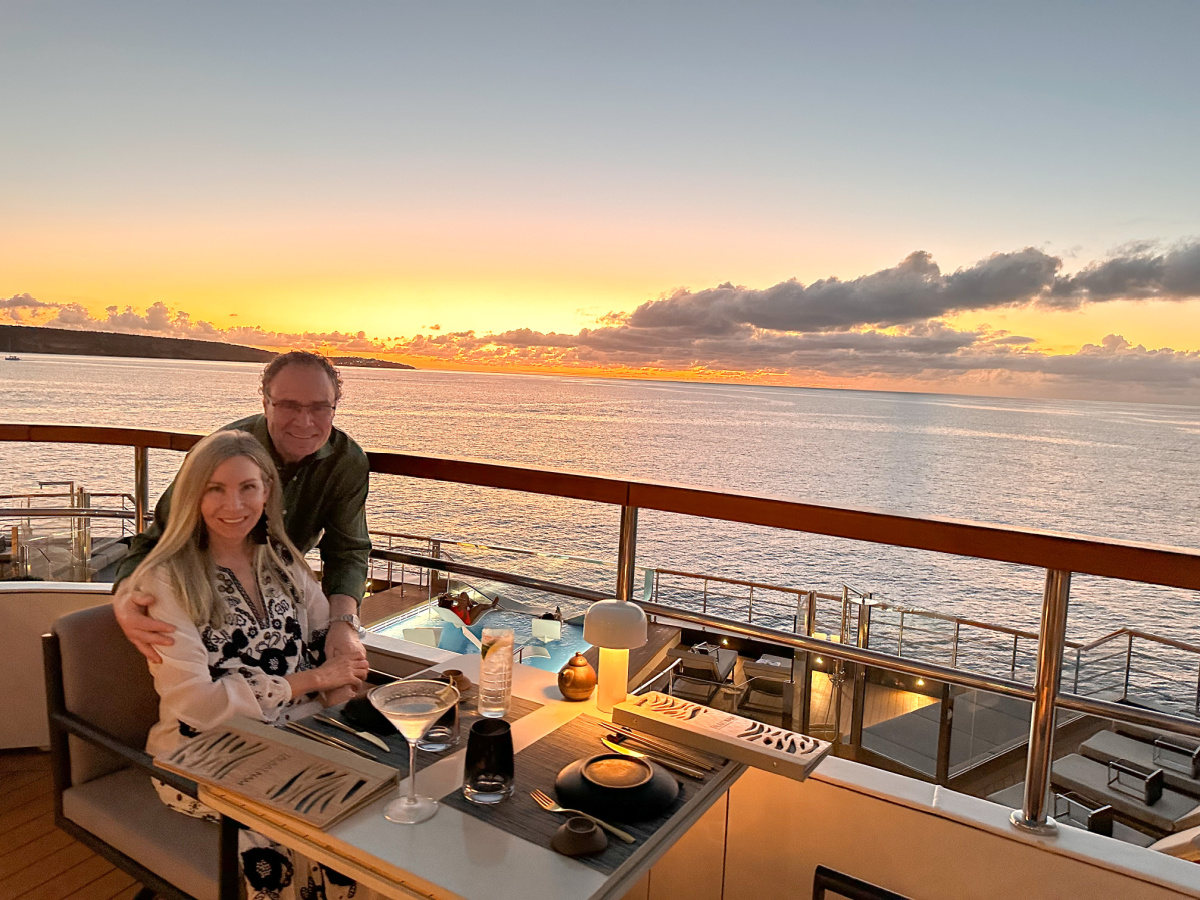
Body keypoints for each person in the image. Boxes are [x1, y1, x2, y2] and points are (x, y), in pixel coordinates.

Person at [128, 429, 371, 900]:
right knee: (302, 831)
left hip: (302, 734)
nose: (232, 505)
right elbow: (197, 705)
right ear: (191, 495)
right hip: (203, 753)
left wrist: (343, 710)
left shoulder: (283, 560)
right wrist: (316, 680)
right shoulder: (167, 580)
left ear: (267, 493)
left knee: (380, 803)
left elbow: (327, 641)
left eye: (247, 487)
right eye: (214, 489)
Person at [114, 351, 371, 700]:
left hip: (275, 587)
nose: (305, 421)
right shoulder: (218, 456)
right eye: (289, 405)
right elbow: (159, 536)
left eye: (319, 407)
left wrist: (344, 626)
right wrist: (125, 595)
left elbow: (348, 551)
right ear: (266, 403)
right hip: (206, 597)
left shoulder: (345, 462)